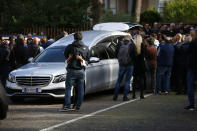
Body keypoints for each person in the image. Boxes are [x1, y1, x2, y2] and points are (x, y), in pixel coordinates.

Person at [63, 32, 89, 111]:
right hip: (81, 70)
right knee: (81, 89)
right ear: (81, 38)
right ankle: (78, 106)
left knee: (68, 88)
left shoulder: (70, 47)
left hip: (71, 70)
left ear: (74, 38)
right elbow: (88, 60)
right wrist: (81, 59)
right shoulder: (86, 48)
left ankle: (67, 105)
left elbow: (65, 55)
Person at [113, 35, 137, 101]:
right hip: (130, 65)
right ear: (130, 38)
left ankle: (115, 96)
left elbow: (115, 54)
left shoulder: (119, 44)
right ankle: (125, 97)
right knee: (127, 81)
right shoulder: (132, 45)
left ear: (124, 38)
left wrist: (119, 60)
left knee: (118, 81)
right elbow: (135, 55)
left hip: (121, 65)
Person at [184, 29, 197, 110]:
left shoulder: (193, 43)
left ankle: (191, 105)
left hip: (192, 67)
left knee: (190, 86)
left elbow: (187, 52)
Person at [132, 34, 146, 99]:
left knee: (134, 80)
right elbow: (144, 55)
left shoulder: (133, 46)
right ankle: (141, 94)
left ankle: (133, 94)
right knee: (141, 79)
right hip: (141, 64)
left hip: (135, 64)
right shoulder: (143, 46)